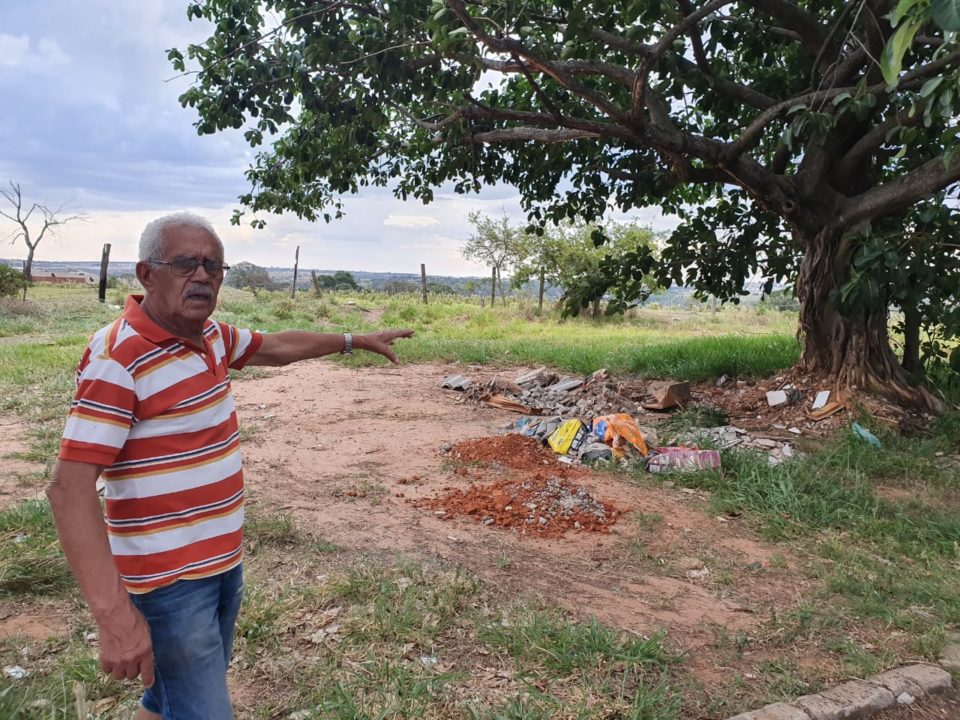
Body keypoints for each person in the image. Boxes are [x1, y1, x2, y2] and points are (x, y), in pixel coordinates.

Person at [46, 212, 413, 720]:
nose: (203, 277)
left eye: (214, 267)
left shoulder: (211, 337)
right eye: (185, 264)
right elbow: (68, 489)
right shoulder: (120, 360)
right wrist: (112, 616)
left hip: (220, 564)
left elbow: (279, 347)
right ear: (147, 274)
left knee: (166, 698)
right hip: (169, 583)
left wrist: (354, 340)